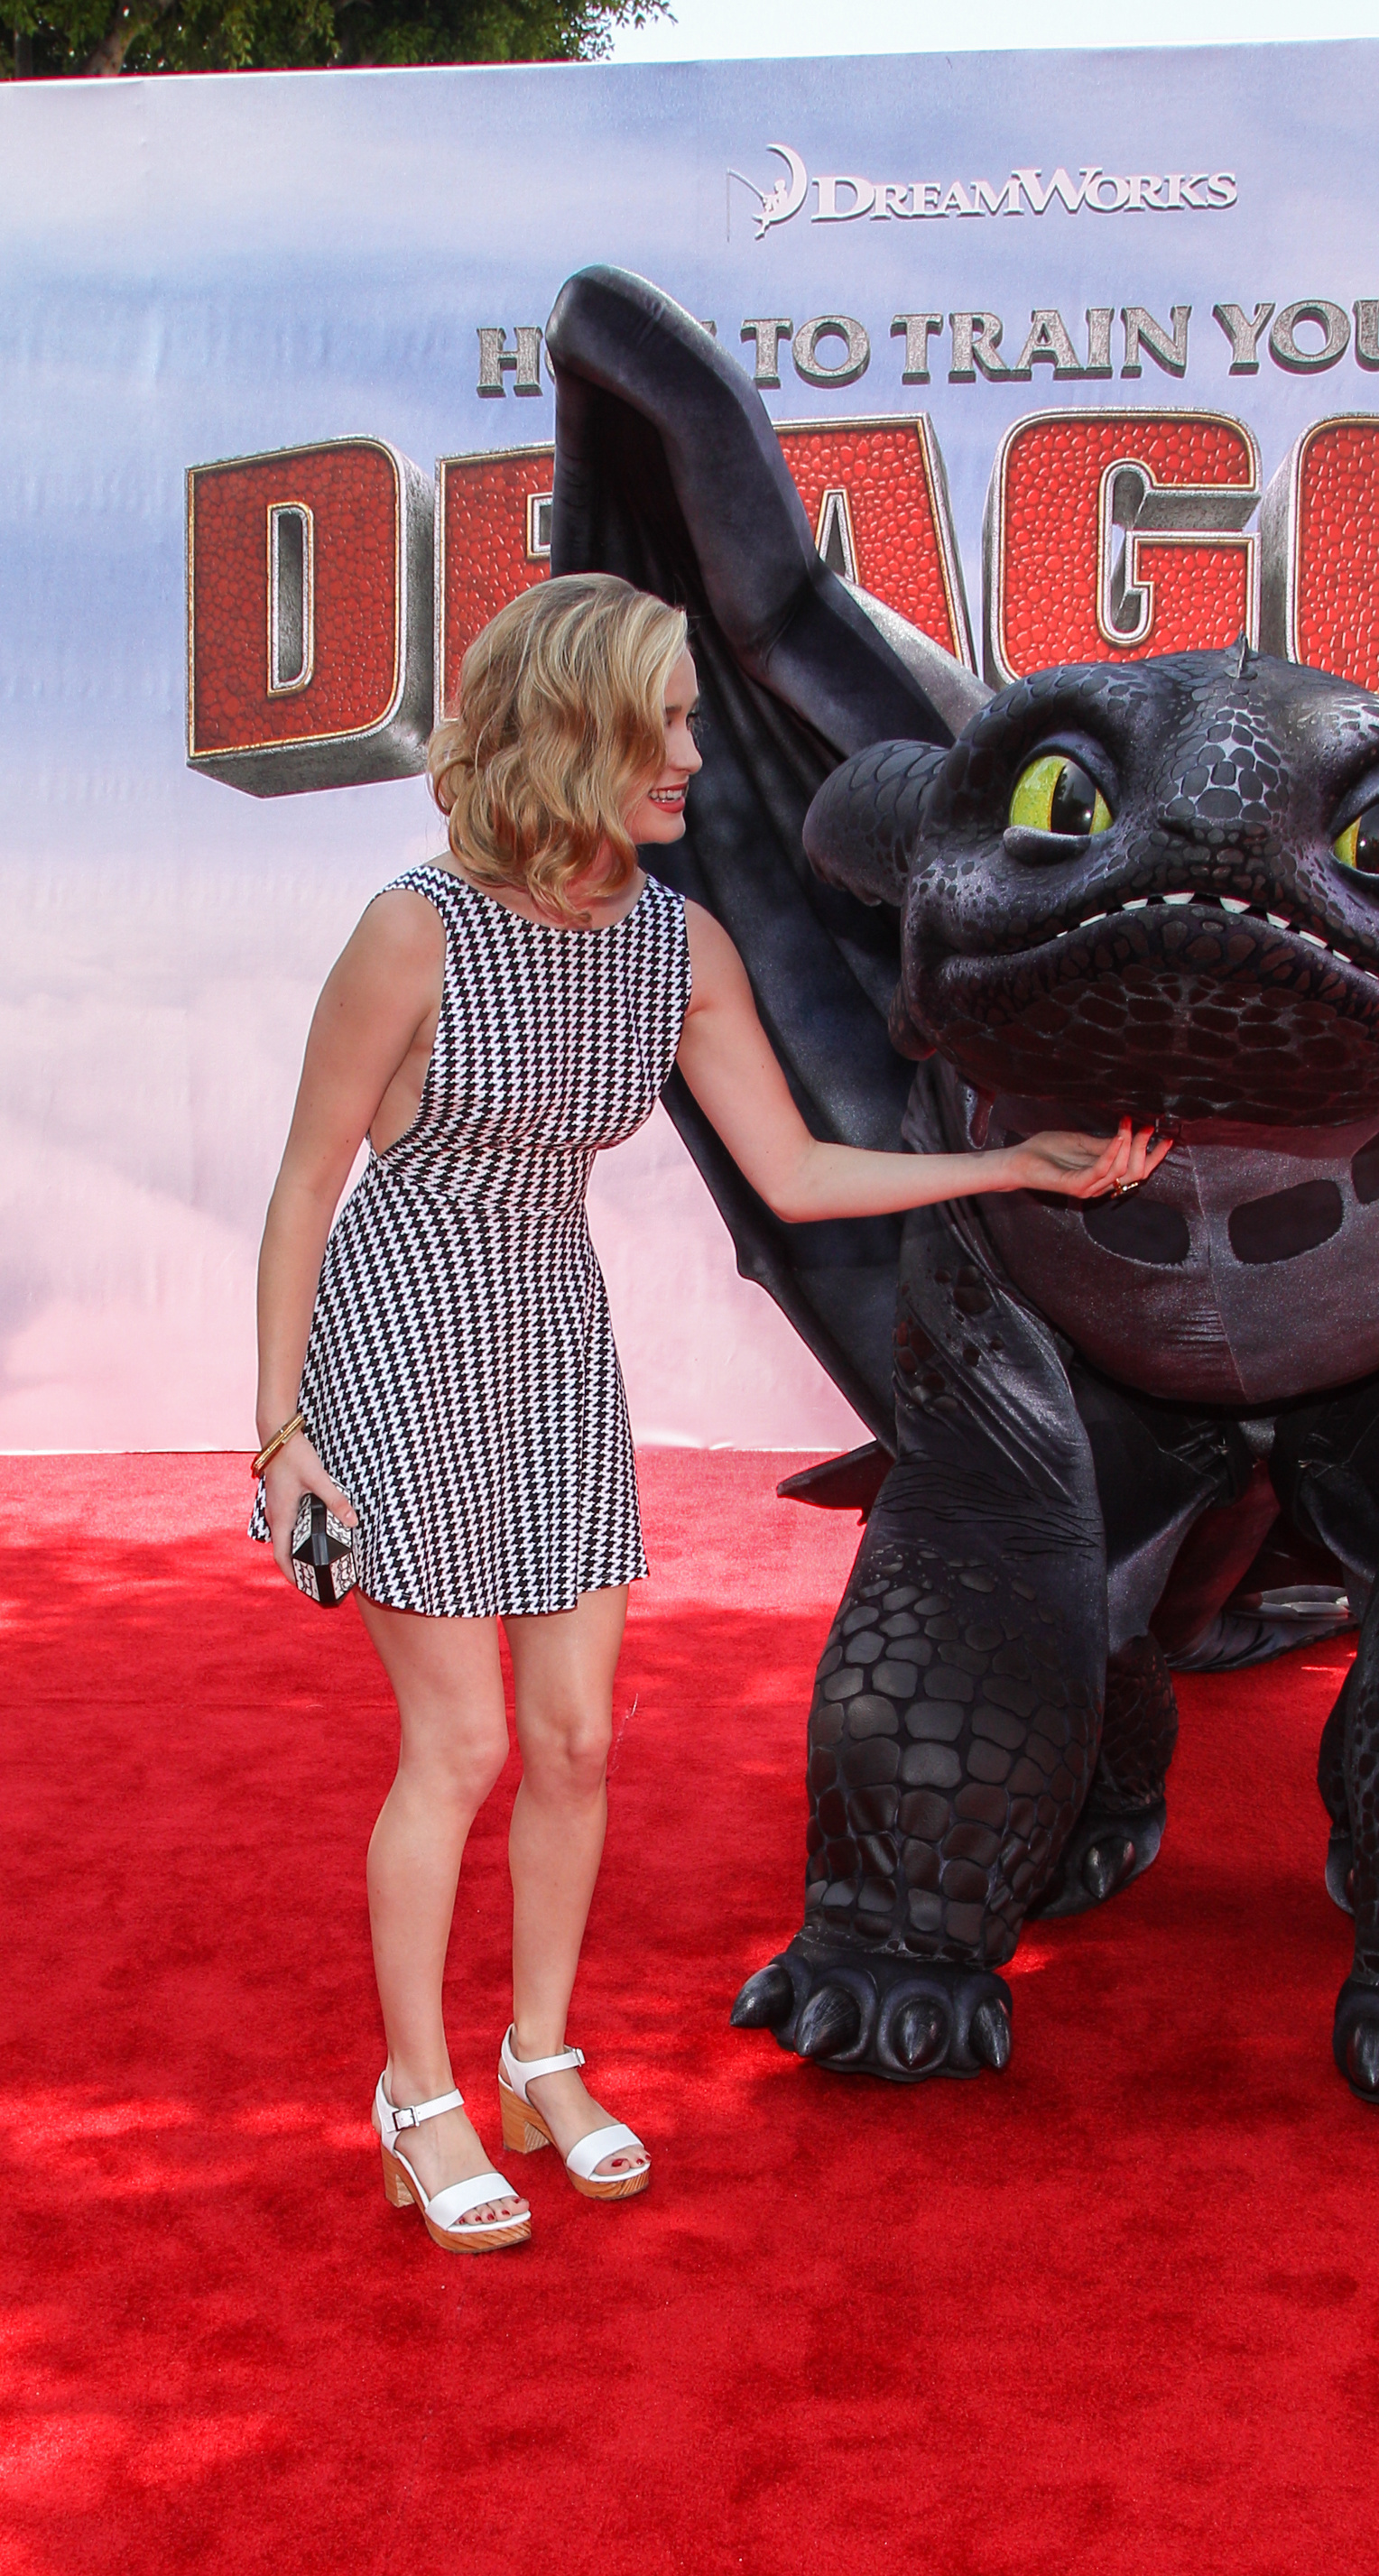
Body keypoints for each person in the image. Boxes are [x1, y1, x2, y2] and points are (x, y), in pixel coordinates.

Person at [251, 572, 1169, 2255]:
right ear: (574, 728)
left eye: (688, 719)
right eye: (660, 722)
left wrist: (1014, 1168)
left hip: (553, 1336)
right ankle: (418, 2093)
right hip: (397, 1332)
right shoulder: (413, 931)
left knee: (580, 1742)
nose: (690, 753)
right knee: (460, 1748)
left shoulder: (680, 948)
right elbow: (310, 1185)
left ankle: (540, 2057)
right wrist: (279, 1430)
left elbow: (798, 1172)